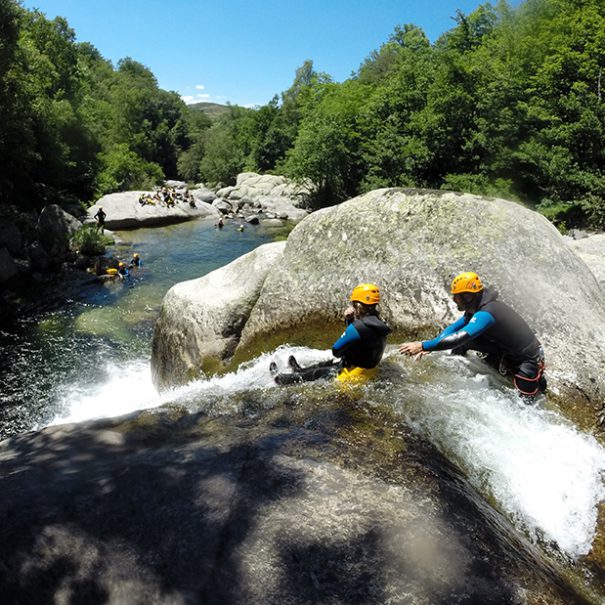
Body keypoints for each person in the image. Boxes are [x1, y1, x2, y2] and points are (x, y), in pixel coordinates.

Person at [399, 271, 546, 399]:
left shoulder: (487, 313)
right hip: (504, 349)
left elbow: (459, 337)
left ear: (468, 296)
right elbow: (454, 328)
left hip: (527, 357)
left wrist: (422, 345)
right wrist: (432, 345)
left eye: (456, 297)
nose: (453, 300)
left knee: (525, 401)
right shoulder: (475, 308)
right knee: (464, 342)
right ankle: (456, 369)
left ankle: (536, 380)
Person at [271, 283, 392, 385]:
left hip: (350, 376)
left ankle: (279, 379)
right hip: (367, 371)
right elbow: (361, 338)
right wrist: (350, 321)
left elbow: (336, 351)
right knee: (328, 363)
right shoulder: (379, 322)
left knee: (318, 372)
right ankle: (298, 369)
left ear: (357, 305)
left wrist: (350, 322)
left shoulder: (358, 326)